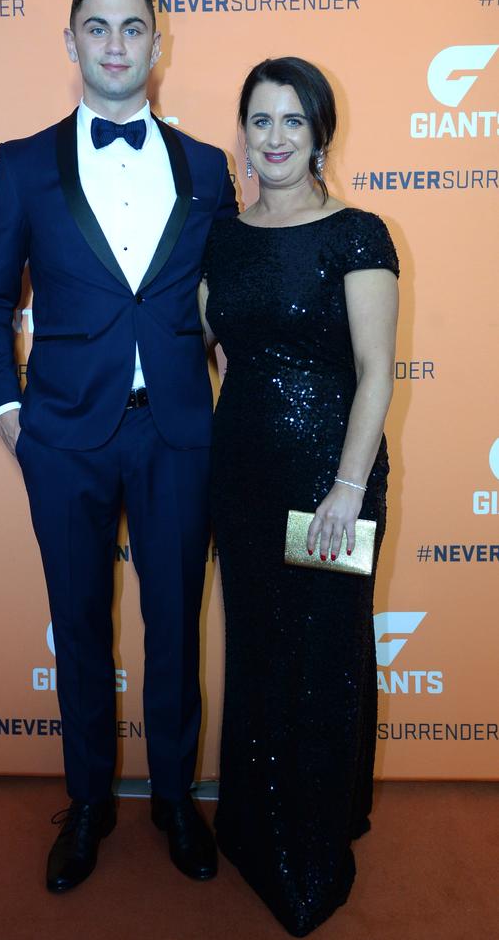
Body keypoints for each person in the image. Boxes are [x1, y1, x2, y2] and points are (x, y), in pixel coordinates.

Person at [0, 0, 236, 894]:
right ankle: (86, 803)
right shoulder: (25, 162)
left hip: (178, 435)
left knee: (175, 629)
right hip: (64, 439)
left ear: (158, 44)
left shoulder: (206, 166)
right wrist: (8, 411)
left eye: (132, 28)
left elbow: (228, 303)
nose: (116, 45)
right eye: (97, 28)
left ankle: (172, 800)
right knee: (78, 628)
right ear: (71, 41)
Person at [199, 57, 399, 936]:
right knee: (258, 649)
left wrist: (347, 488)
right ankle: (251, 822)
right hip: (241, 477)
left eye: (292, 121)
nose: (273, 138)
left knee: (321, 660)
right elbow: (218, 348)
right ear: (241, 132)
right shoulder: (224, 234)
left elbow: (377, 371)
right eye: (259, 121)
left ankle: (312, 840)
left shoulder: (358, 232)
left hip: (331, 483)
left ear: (320, 133)